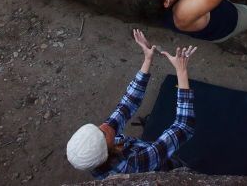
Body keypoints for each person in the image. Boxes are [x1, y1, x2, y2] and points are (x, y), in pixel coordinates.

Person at [66, 29, 197, 178]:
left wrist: (147, 59)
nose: (103, 126)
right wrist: (181, 72)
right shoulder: (134, 166)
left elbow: (127, 105)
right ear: (107, 151)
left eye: (96, 128)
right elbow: (184, 126)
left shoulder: (98, 154)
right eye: (102, 133)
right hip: (168, 171)